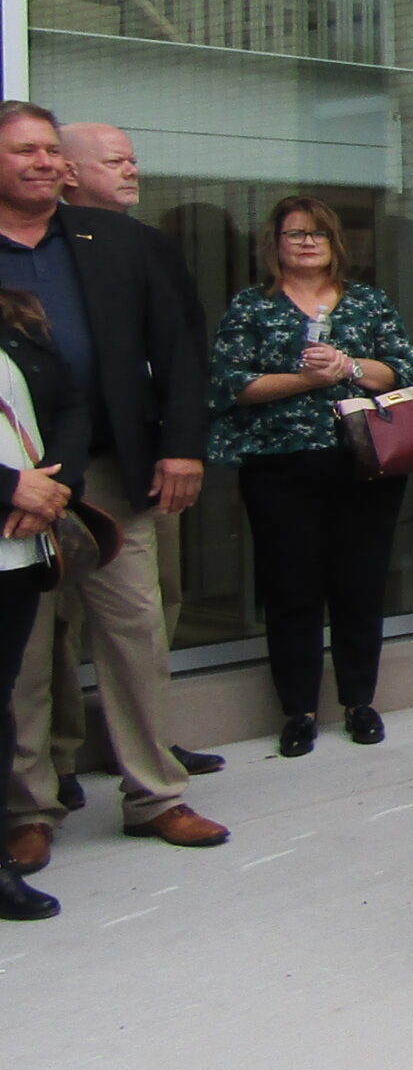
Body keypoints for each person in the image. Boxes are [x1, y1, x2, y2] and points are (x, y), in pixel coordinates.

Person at [0, 103, 224, 869]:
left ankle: (155, 795)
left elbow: (183, 351)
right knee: (26, 648)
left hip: (112, 468)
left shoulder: (122, 243)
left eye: (47, 151)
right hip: (16, 476)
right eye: (21, 151)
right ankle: (29, 806)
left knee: (134, 633)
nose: (40, 163)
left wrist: (183, 447)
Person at [208, 198, 413, 756]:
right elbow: (234, 385)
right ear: (274, 242)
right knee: (290, 587)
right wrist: (306, 379)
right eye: (295, 233)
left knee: (360, 584)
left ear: (335, 245)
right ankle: (299, 709)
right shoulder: (252, 307)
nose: (306, 243)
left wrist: (347, 367)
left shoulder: (369, 302)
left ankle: (359, 701)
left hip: (365, 463)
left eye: (318, 235)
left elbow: (402, 371)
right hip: (280, 466)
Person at [42, 120, 220, 779]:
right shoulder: (29, 250)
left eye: (133, 160)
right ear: (70, 172)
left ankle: (150, 747)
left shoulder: (149, 247)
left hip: (137, 461)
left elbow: (183, 352)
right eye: (115, 161)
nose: (132, 171)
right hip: (50, 465)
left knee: (154, 600)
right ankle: (58, 760)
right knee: (52, 619)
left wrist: (182, 446)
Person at [0, 288, 83, 920]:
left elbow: (62, 404)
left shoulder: (16, 320)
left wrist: (49, 488)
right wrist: (11, 488)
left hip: (18, 550)